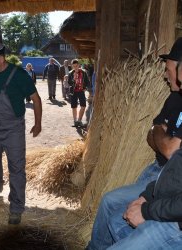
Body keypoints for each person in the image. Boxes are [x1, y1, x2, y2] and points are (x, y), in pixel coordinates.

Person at [86, 37, 182, 250]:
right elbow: (153, 135)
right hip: (160, 175)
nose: (165, 75)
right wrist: (148, 196)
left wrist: (148, 208)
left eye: (168, 68)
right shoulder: (174, 99)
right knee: (110, 204)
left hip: (172, 201)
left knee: (115, 212)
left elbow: (170, 150)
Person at [0, 41, 42, 225]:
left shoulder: (19, 75)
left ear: (1, 59)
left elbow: (36, 99)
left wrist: (38, 124)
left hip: (12, 128)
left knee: (16, 168)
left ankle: (16, 207)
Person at [68, 59, 90, 128]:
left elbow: (87, 81)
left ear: (79, 65)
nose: (75, 68)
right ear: (72, 66)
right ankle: (75, 121)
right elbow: (69, 83)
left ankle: (79, 121)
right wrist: (73, 79)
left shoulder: (83, 72)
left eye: (76, 66)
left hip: (81, 91)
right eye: (74, 66)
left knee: (83, 106)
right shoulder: (70, 73)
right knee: (74, 106)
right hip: (73, 91)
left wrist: (85, 88)